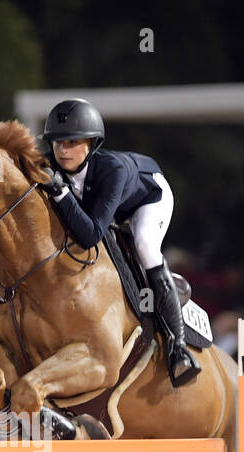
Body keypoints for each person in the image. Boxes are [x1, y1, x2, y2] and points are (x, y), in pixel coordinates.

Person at [37, 98, 198, 386]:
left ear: (91, 143)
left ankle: (179, 346)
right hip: (106, 209)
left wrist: (60, 193)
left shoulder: (112, 170)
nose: (63, 150)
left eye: (73, 142)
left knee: (145, 246)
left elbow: (90, 235)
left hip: (147, 198)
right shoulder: (49, 165)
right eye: (58, 142)